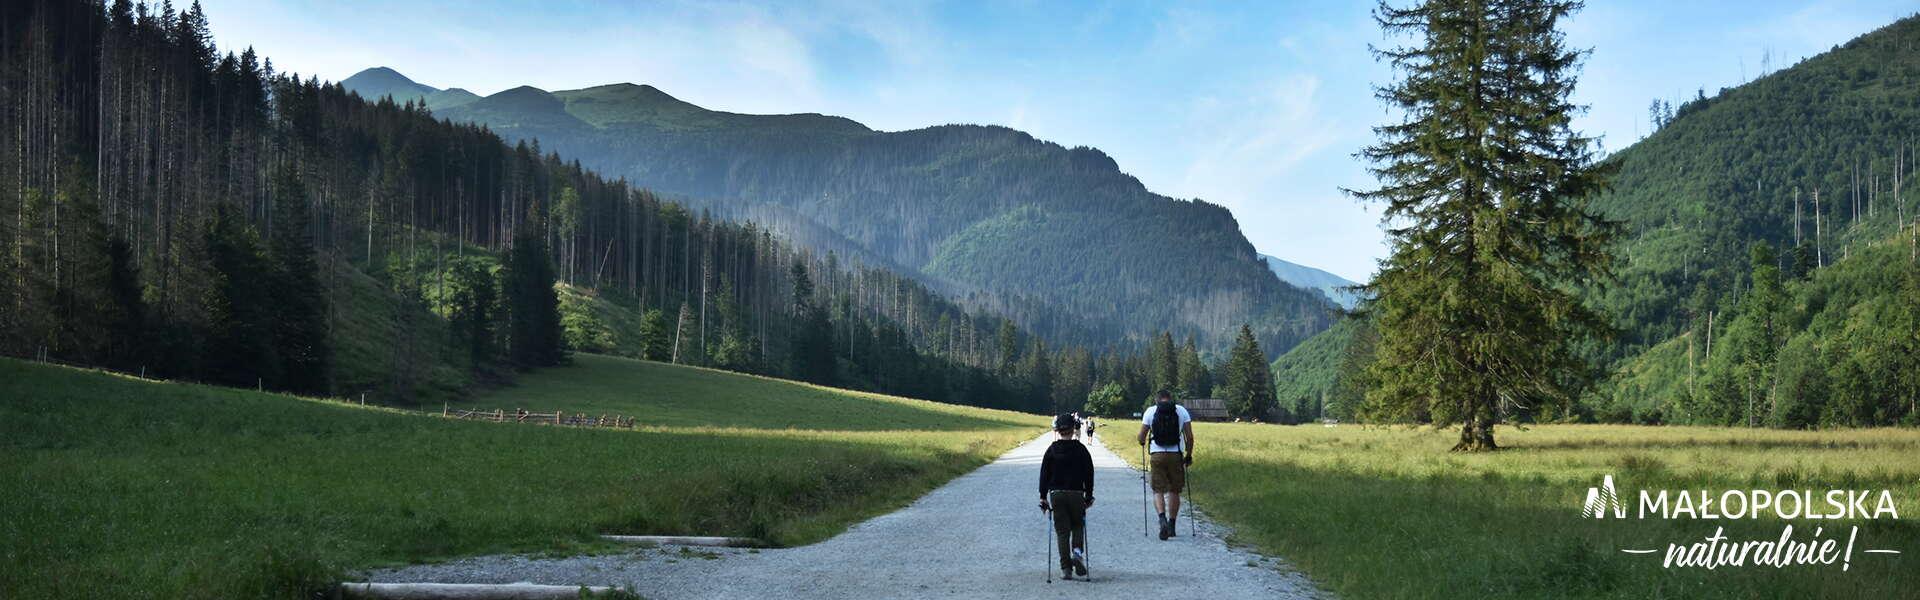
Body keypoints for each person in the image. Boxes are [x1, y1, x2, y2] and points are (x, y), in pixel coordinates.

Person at [1039, 413, 1095, 580]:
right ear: (1073, 429)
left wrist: (1043, 496)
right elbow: (1089, 473)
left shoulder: (1052, 449)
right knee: (1077, 524)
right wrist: (1089, 495)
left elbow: (1044, 474)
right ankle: (1077, 552)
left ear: (1058, 430)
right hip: (1077, 493)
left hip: (1056, 494)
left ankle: (1066, 569)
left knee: (1062, 531)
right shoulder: (1081, 449)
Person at [1136, 390, 1193, 540]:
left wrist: (1142, 441)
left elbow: (1141, 436)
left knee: (1158, 490)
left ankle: (1162, 520)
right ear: (1170, 399)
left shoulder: (1150, 411)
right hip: (1176, 454)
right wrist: (1189, 455)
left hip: (1157, 455)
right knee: (1174, 490)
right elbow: (1190, 437)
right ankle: (1172, 525)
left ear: (1157, 400)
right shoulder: (1181, 411)